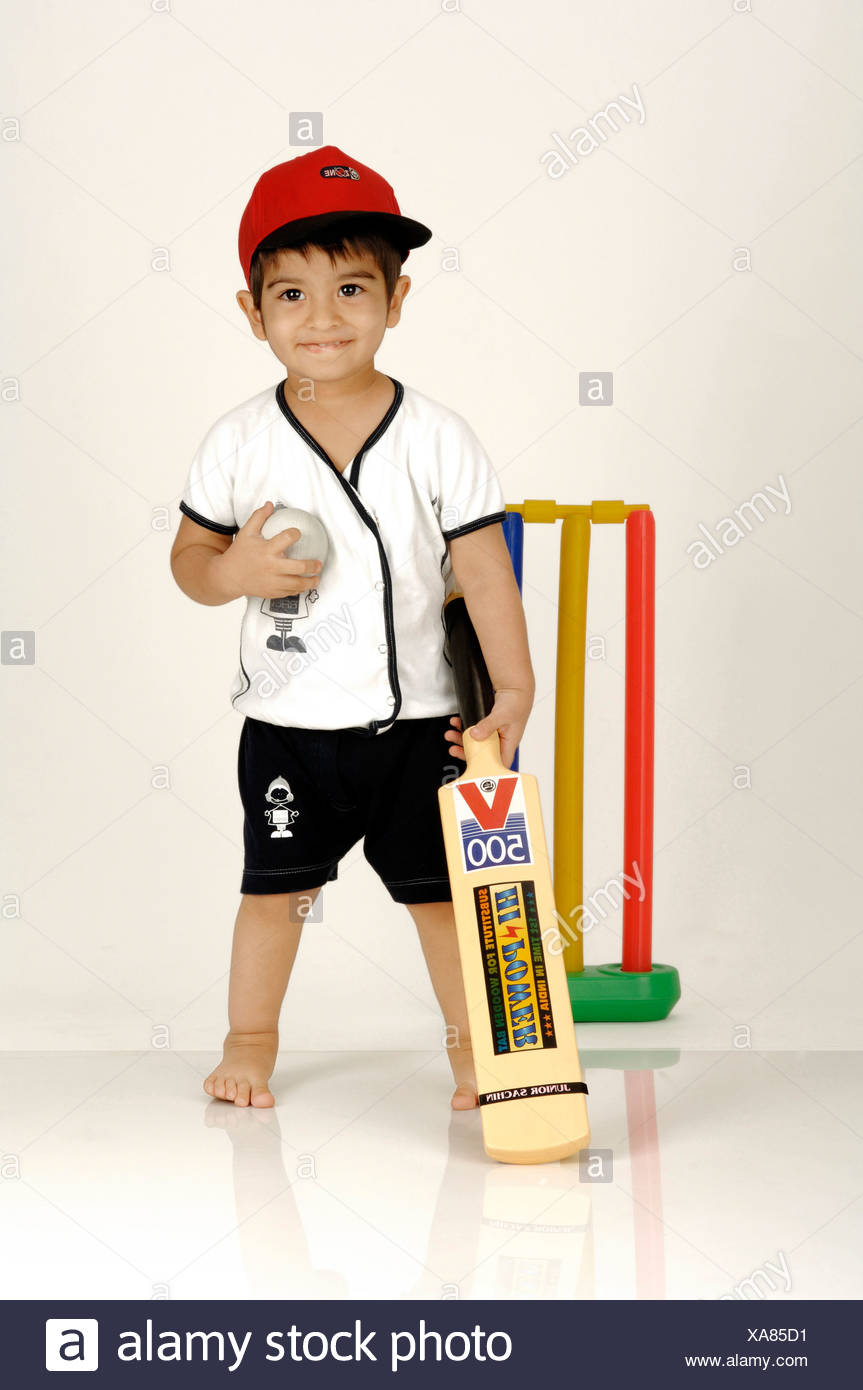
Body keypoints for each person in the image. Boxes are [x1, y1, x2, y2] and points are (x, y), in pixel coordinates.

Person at [170, 145, 535, 1110]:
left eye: (350, 287)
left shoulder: (437, 435)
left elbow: (485, 573)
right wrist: (233, 571)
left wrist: (513, 691)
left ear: (397, 298)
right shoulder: (238, 440)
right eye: (290, 295)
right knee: (275, 893)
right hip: (290, 725)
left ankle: (475, 1054)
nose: (323, 318)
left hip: (424, 726)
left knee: (440, 902)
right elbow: (188, 565)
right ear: (253, 314)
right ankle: (249, 1041)